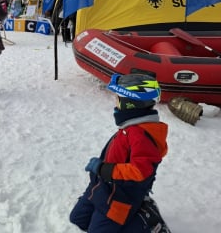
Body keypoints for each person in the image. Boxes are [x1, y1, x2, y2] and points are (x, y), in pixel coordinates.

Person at [69, 73, 170, 232]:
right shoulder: (131, 127)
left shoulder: (141, 135)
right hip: (103, 187)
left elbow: (141, 170)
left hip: (120, 198)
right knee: (78, 218)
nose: (115, 101)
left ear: (130, 103)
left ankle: (147, 221)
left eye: (118, 98)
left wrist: (103, 169)